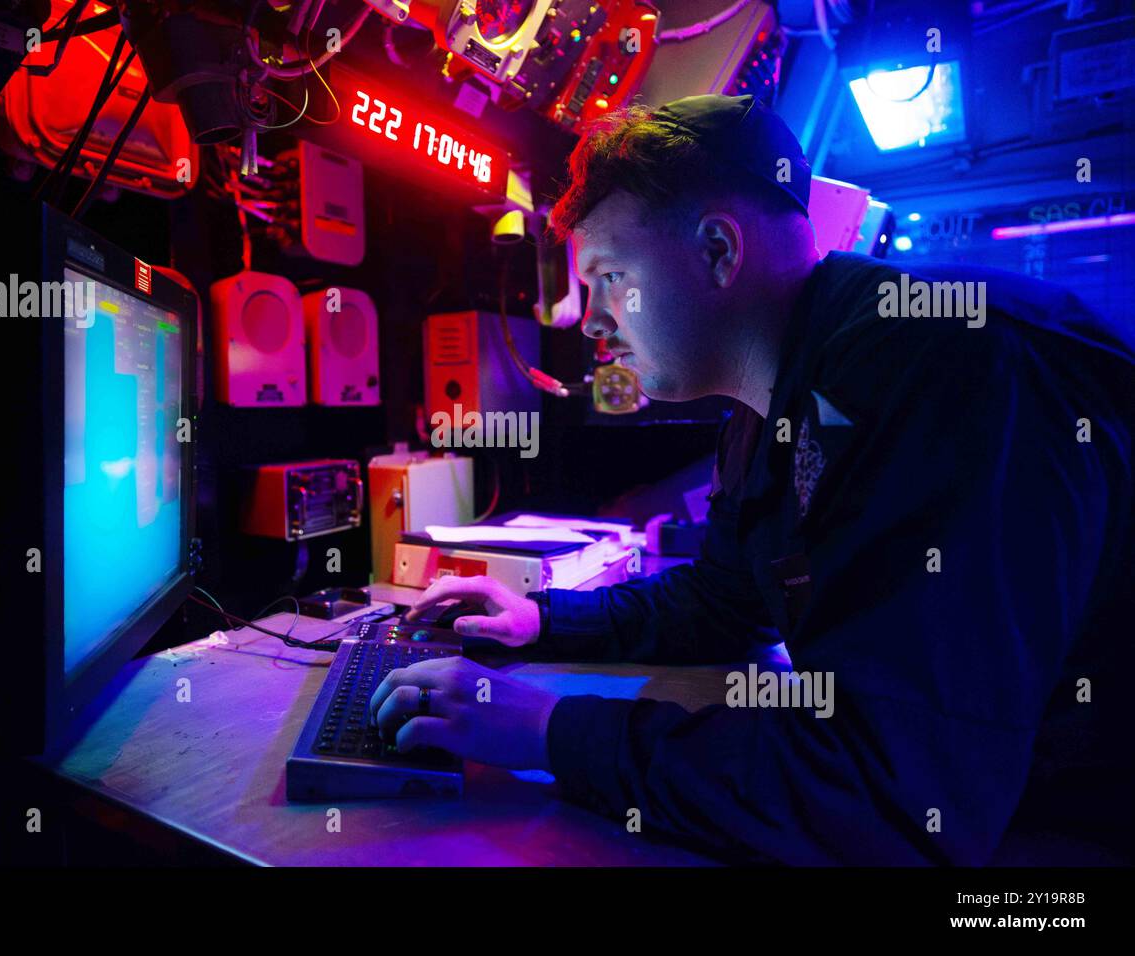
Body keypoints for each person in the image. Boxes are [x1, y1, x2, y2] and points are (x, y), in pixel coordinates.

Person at [369, 94, 1135, 864]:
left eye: (609, 276)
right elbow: (723, 603)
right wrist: (540, 619)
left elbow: (881, 798)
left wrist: (546, 730)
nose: (590, 320)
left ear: (717, 253)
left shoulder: (941, 367)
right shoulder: (766, 405)